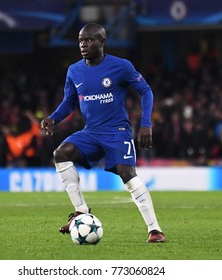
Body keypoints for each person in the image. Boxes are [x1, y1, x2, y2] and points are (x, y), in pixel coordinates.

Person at [41, 23, 165, 243]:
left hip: (117, 131)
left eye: (89, 40)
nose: (83, 44)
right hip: (91, 132)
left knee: (127, 174)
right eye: (80, 40)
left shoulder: (121, 66)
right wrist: (53, 118)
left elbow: (145, 91)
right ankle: (81, 211)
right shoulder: (74, 70)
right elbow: (69, 102)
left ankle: (154, 229)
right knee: (61, 153)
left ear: (102, 42)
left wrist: (146, 123)